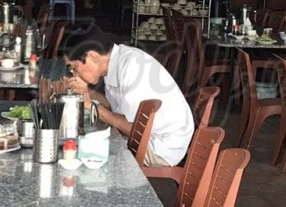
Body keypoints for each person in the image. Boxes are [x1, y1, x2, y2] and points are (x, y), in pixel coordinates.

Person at [64, 36, 195, 167]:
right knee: (87, 142)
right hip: (148, 135)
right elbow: (112, 108)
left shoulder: (132, 66)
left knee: (90, 152)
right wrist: (87, 93)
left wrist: (91, 106)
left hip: (161, 145)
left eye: (74, 67)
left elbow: (135, 130)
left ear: (92, 56)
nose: (75, 74)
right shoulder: (115, 62)